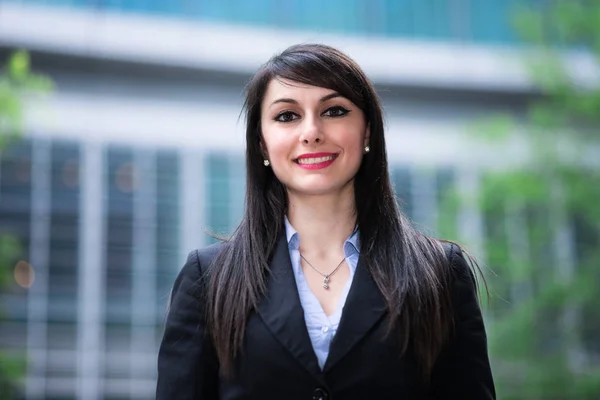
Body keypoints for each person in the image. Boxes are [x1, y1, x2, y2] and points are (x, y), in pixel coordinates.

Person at [156, 43, 495, 400]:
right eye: (287, 116)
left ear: (366, 133)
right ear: (261, 144)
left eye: (334, 111)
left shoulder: (440, 273)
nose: (311, 132)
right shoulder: (209, 280)